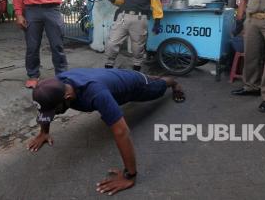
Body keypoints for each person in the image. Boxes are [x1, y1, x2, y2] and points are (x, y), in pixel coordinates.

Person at [28, 68, 185, 195]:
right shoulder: (56, 85)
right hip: (112, 77)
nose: (53, 114)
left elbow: (122, 132)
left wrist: (129, 175)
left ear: (67, 96)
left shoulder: (96, 93)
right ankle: (150, 77)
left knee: (158, 87)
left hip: (134, 85)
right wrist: (44, 132)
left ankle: (175, 83)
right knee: (143, 79)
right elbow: (46, 106)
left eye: (54, 110)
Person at [98, 0, 163, 72]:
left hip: (140, 19)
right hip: (122, 17)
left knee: (137, 49)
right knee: (112, 44)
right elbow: (120, 2)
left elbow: (156, 2)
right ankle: (108, 70)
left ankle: (136, 74)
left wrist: (158, 20)